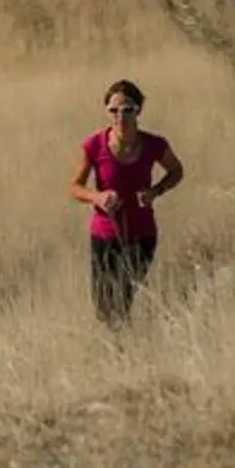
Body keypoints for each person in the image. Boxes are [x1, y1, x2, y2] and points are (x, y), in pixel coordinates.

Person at [67, 79, 185, 329]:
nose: (120, 116)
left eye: (127, 109)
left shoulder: (154, 145)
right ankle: (117, 350)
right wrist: (98, 197)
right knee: (102, 306)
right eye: (114, 110)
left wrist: (155, 191)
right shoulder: (93, 145)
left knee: (122, 296)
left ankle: (125, 349)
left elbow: (176, 171)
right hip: (104, 234)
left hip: (141, 234)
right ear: (106, 111)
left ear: (139, 110)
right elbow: (74, 187)